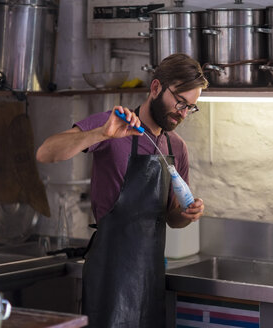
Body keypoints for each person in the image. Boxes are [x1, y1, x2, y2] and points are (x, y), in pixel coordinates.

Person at [36, 53, 208, 328]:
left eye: (190, 107)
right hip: (108, 279)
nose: (183, 113)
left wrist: (187, 215)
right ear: (155, 88)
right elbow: (46, 153)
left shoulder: (177, 148)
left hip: (150, 279)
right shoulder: (112, 124)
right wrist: (101, 134)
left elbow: (171, 218)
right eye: (180, 102)